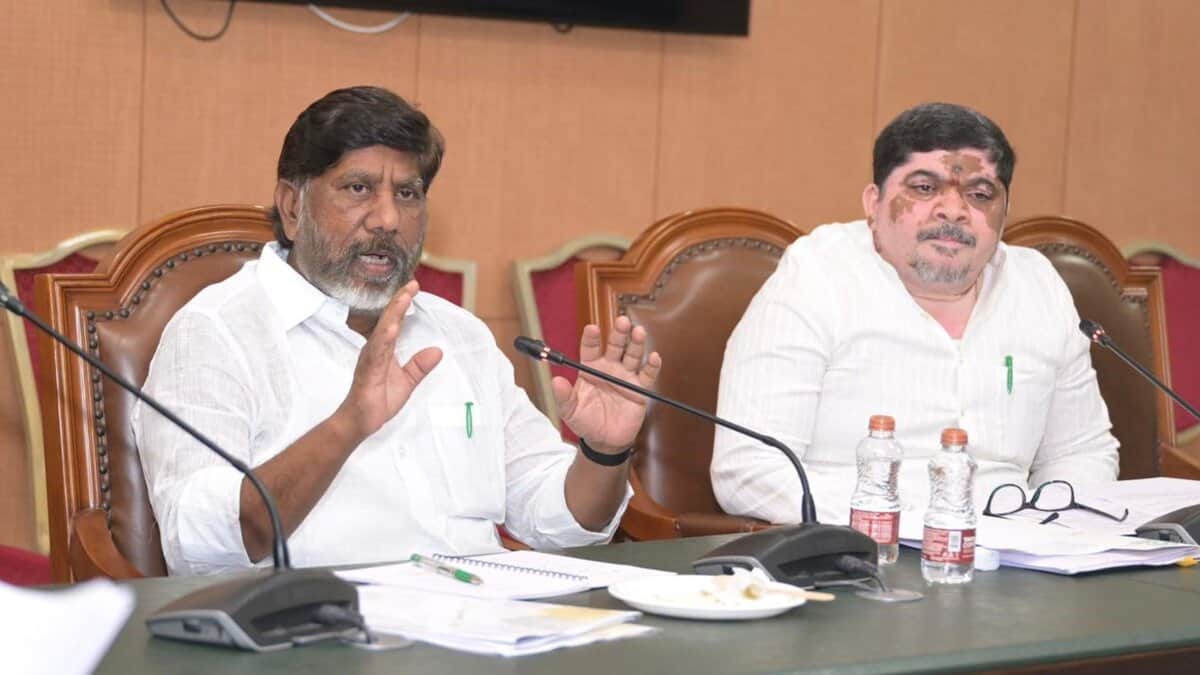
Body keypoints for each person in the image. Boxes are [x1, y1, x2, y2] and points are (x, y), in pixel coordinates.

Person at [135, 86, 661, 575]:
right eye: (359, 188)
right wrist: (346, 426)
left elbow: (559, 525)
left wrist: (604, 452)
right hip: (316, 636)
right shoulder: (216, 333)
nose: (387, 218)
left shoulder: (459, 335)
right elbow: (196, 546)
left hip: (481, 628)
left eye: (407, 194)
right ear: (293, 207)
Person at [711, 102, 1118, 525]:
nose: (953, 210)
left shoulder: (1037, 286)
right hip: (860, 553)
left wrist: (1061, 530)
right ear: (874, 202)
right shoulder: (817, 276)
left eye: (980, 195)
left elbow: (1080, 452)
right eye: (925, 188)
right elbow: (747, 471)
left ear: (1004, 216)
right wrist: (916, 523)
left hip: (1019, 560)